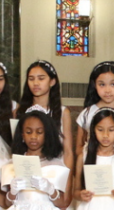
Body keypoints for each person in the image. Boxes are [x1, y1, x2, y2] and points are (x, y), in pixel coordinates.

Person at [17, 59, 74, 198]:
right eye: (31, 79)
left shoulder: (62, 112)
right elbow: (17, 146)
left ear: (52, 81)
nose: (36, 83)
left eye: (41, 78)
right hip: (27, 169)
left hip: (54, 171)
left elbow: (68, 152)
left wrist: (67, 181)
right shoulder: (20, 111)